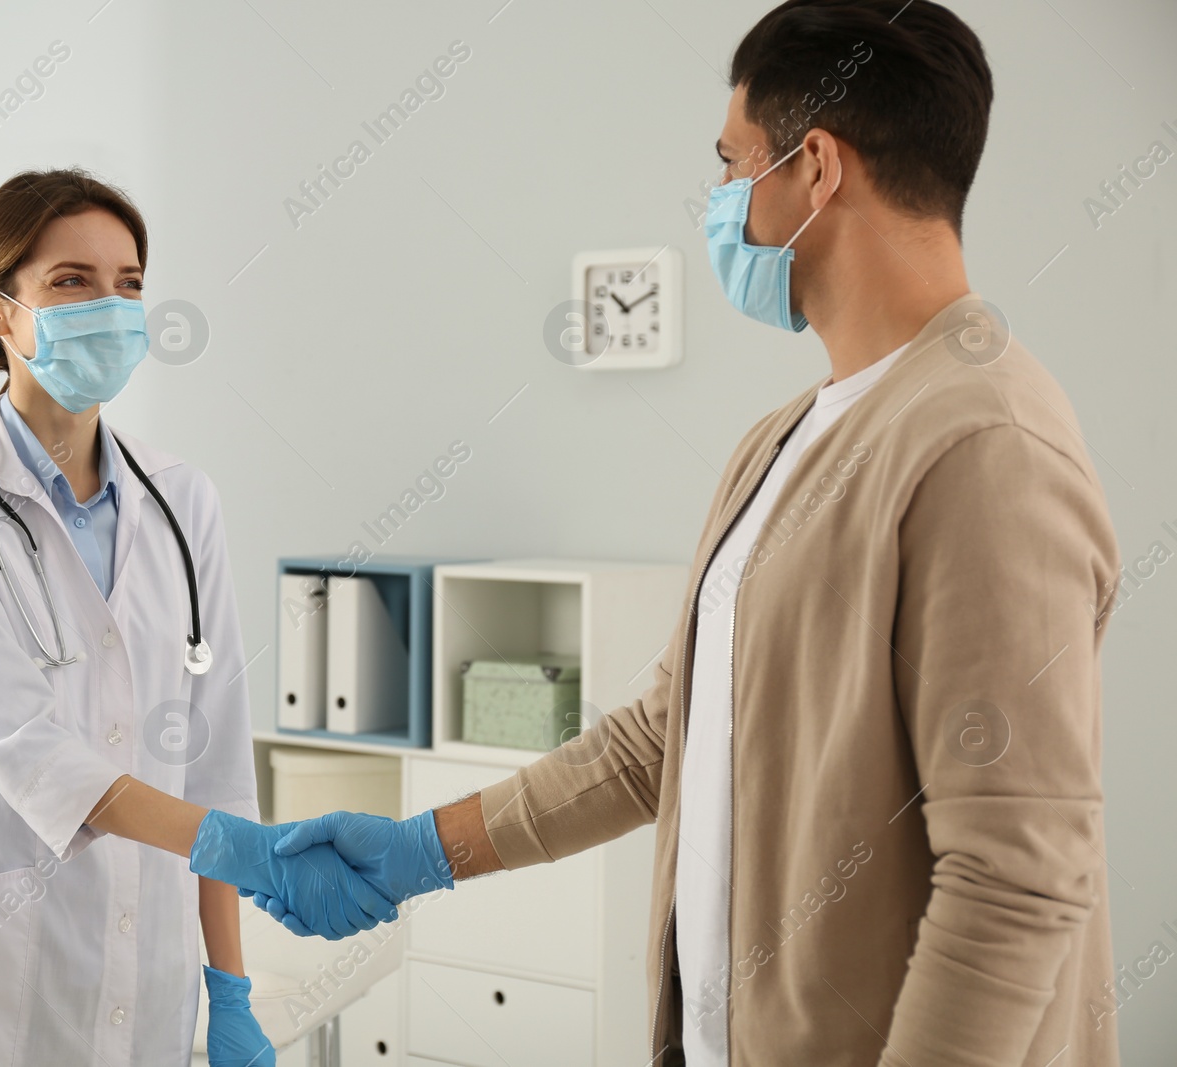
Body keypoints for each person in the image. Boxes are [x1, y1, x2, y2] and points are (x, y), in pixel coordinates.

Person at [245, 3, 1122, 1065]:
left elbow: (1016, 876)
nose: (718, 202)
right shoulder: (786, 439)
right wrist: (416, 853)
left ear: (815, 169)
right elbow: (656, 739)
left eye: (730, 164)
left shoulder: (985, 441)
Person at [0, 168, 392, 1066]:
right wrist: (245, 850)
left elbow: (213, 761)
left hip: (150, 971)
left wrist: (230, 984)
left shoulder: (182, 499)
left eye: (130, 283)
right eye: (73, 281)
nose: (112, 304)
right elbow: (27, 746)